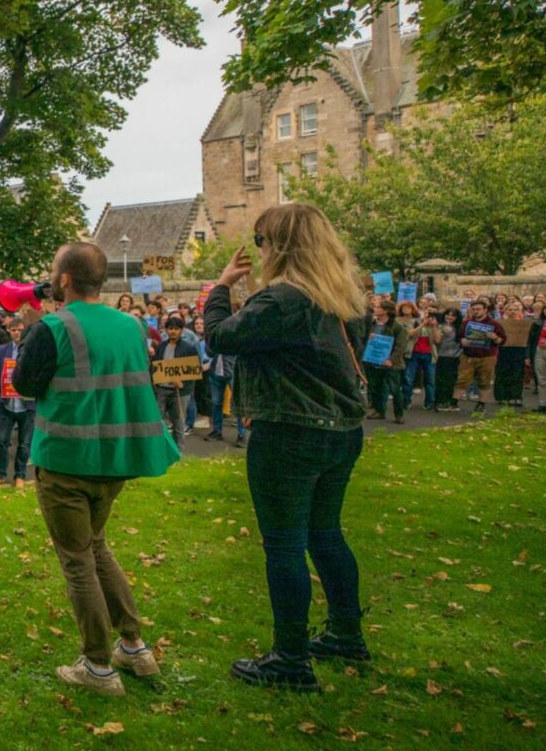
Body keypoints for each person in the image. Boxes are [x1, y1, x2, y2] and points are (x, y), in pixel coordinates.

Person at [204, 202, 370, 693]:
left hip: (291, 432)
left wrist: (220, 288)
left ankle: (291, 659)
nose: (259, 250)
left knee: (284, 544)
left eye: (261, 241)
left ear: (279, 245)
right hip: (340, 430)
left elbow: (220, 337)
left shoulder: (282, 300)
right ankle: (345, 633)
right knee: (325, 533)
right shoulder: (341, 297)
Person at [9, 243, 175, 697]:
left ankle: (98, 666)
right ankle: (134, 646)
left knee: (77, 560)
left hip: (65, 462)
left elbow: (23, 384)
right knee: (96, 548)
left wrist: (30, 328)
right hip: (113, 460)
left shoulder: (51, 328)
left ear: (63, 280)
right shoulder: (131, 325)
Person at [0, 326, 34, 488]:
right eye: (13, 330)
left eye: (20, 329)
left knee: (24, 443)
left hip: (27, 405)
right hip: (7, 404)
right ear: (9, 331)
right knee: (1, 441)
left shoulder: (32, 348)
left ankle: (20, 475)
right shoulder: (2, 350)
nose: (16, 332)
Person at [150, 317, 199, 444]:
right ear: (166, 330)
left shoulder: (189, 348)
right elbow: (154, 366)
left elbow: (194, 370)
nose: (173, 331)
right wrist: (155, 382)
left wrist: (183, 383)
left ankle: (178, 450)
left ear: (181, 330)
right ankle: (159, 447)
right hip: (161, 389)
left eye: (176, 329)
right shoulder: (161, 347)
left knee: (178, 423)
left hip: (180, 392)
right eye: (170, 328)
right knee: (156, 421)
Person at [455, 299, 505, 416]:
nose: (476, 311)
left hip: (487, 356)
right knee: (462, 379)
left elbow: (502, 340)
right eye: (473, 309)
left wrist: (495, 337)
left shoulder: (494, 324)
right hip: (468, 355)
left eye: (478, 309)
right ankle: (454, 402)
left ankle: (481, 404)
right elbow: (458, 337)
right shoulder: (466, 323)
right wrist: (462, 340)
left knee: (484, 380)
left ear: (485, 310)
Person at [362, 299, 408, 423]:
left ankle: (399, 414)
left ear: (386, 311)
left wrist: (391, 360)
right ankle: (379, 411)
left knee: (395, 389)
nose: (375, 309)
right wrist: (368, 337)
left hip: (391, 364)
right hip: (374, 361)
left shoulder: (397, 326)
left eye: (378, 307)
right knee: (376, 388)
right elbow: (363, 339)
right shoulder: (372, 324)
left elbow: (400, 346)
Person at [400, 303, 439, 411]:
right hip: (414, 353)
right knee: (409, 379)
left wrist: (434, 326)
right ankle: (406, 401)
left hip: (429, 354)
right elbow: (409, 334)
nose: (429, 314)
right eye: (428, 311)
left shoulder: (436, 325)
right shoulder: (415, 321)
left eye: (432, 313)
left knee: (430, 380)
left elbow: (437, 340)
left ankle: (429, 402)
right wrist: (422, 324)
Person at [493, 299, 529, 407]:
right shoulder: (498, 323)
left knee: (517, 373)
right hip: (503, 350)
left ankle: (516, 396)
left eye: (515, 309)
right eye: (510, 309)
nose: (512, 311)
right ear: (505, 311)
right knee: (502, 373)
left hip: (519, 350)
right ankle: (502, 396)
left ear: (519, 311)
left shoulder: (524, 323)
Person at [434, 308, 464, 412]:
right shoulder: (440, 326)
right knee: (441, 380)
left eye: (453, 315)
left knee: (451, 380)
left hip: (456, 357)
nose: (450, 317)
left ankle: (449, 401)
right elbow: (437, 340)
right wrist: (439, 328)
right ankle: (440, 401)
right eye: (448, 314)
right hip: (442, 356)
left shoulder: (460, 327)